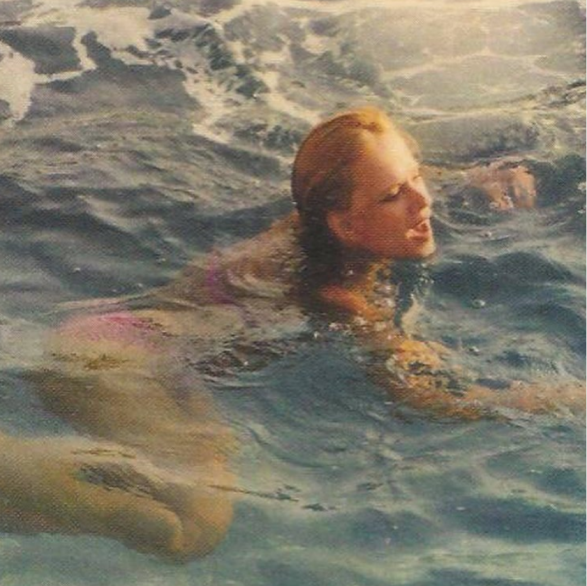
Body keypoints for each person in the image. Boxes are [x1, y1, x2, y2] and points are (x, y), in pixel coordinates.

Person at [0, 107, 582, 560]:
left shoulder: (312, 220)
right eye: (394, 196)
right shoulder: (338, 296)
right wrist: (555, 399)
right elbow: (426, 399)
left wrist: (477, 178)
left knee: (170, 493)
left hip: (111, 345)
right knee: (193, 531)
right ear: (345, 223)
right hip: (118, 361)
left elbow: (380, 187)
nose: (422, 200)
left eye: (418, 178)